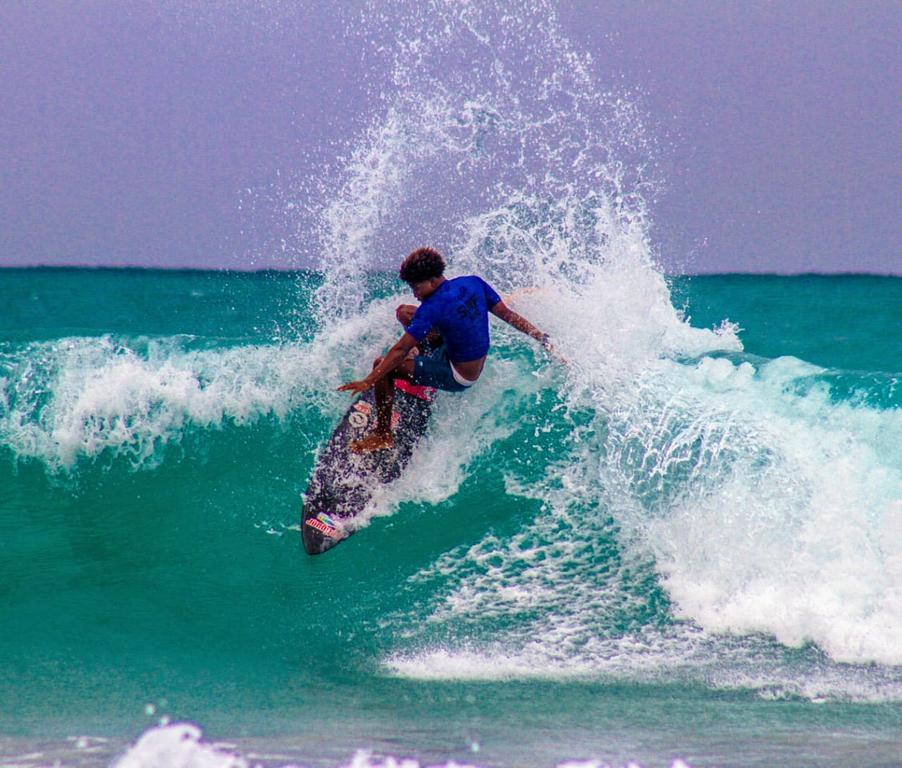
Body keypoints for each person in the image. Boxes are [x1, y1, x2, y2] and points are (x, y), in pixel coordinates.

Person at [338, 247, 554, 453]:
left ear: (432, 280)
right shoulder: (473, 283)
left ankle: (383, 435)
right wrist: (541, 336)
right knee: (405, 312)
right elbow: (508, 315)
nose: (415, 294)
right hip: (456, 351)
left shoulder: (433, 307)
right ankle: (424, 359)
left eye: (417, 288)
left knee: (383, 368)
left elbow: (400, 349)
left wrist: (368, 380)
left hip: (459, 375)